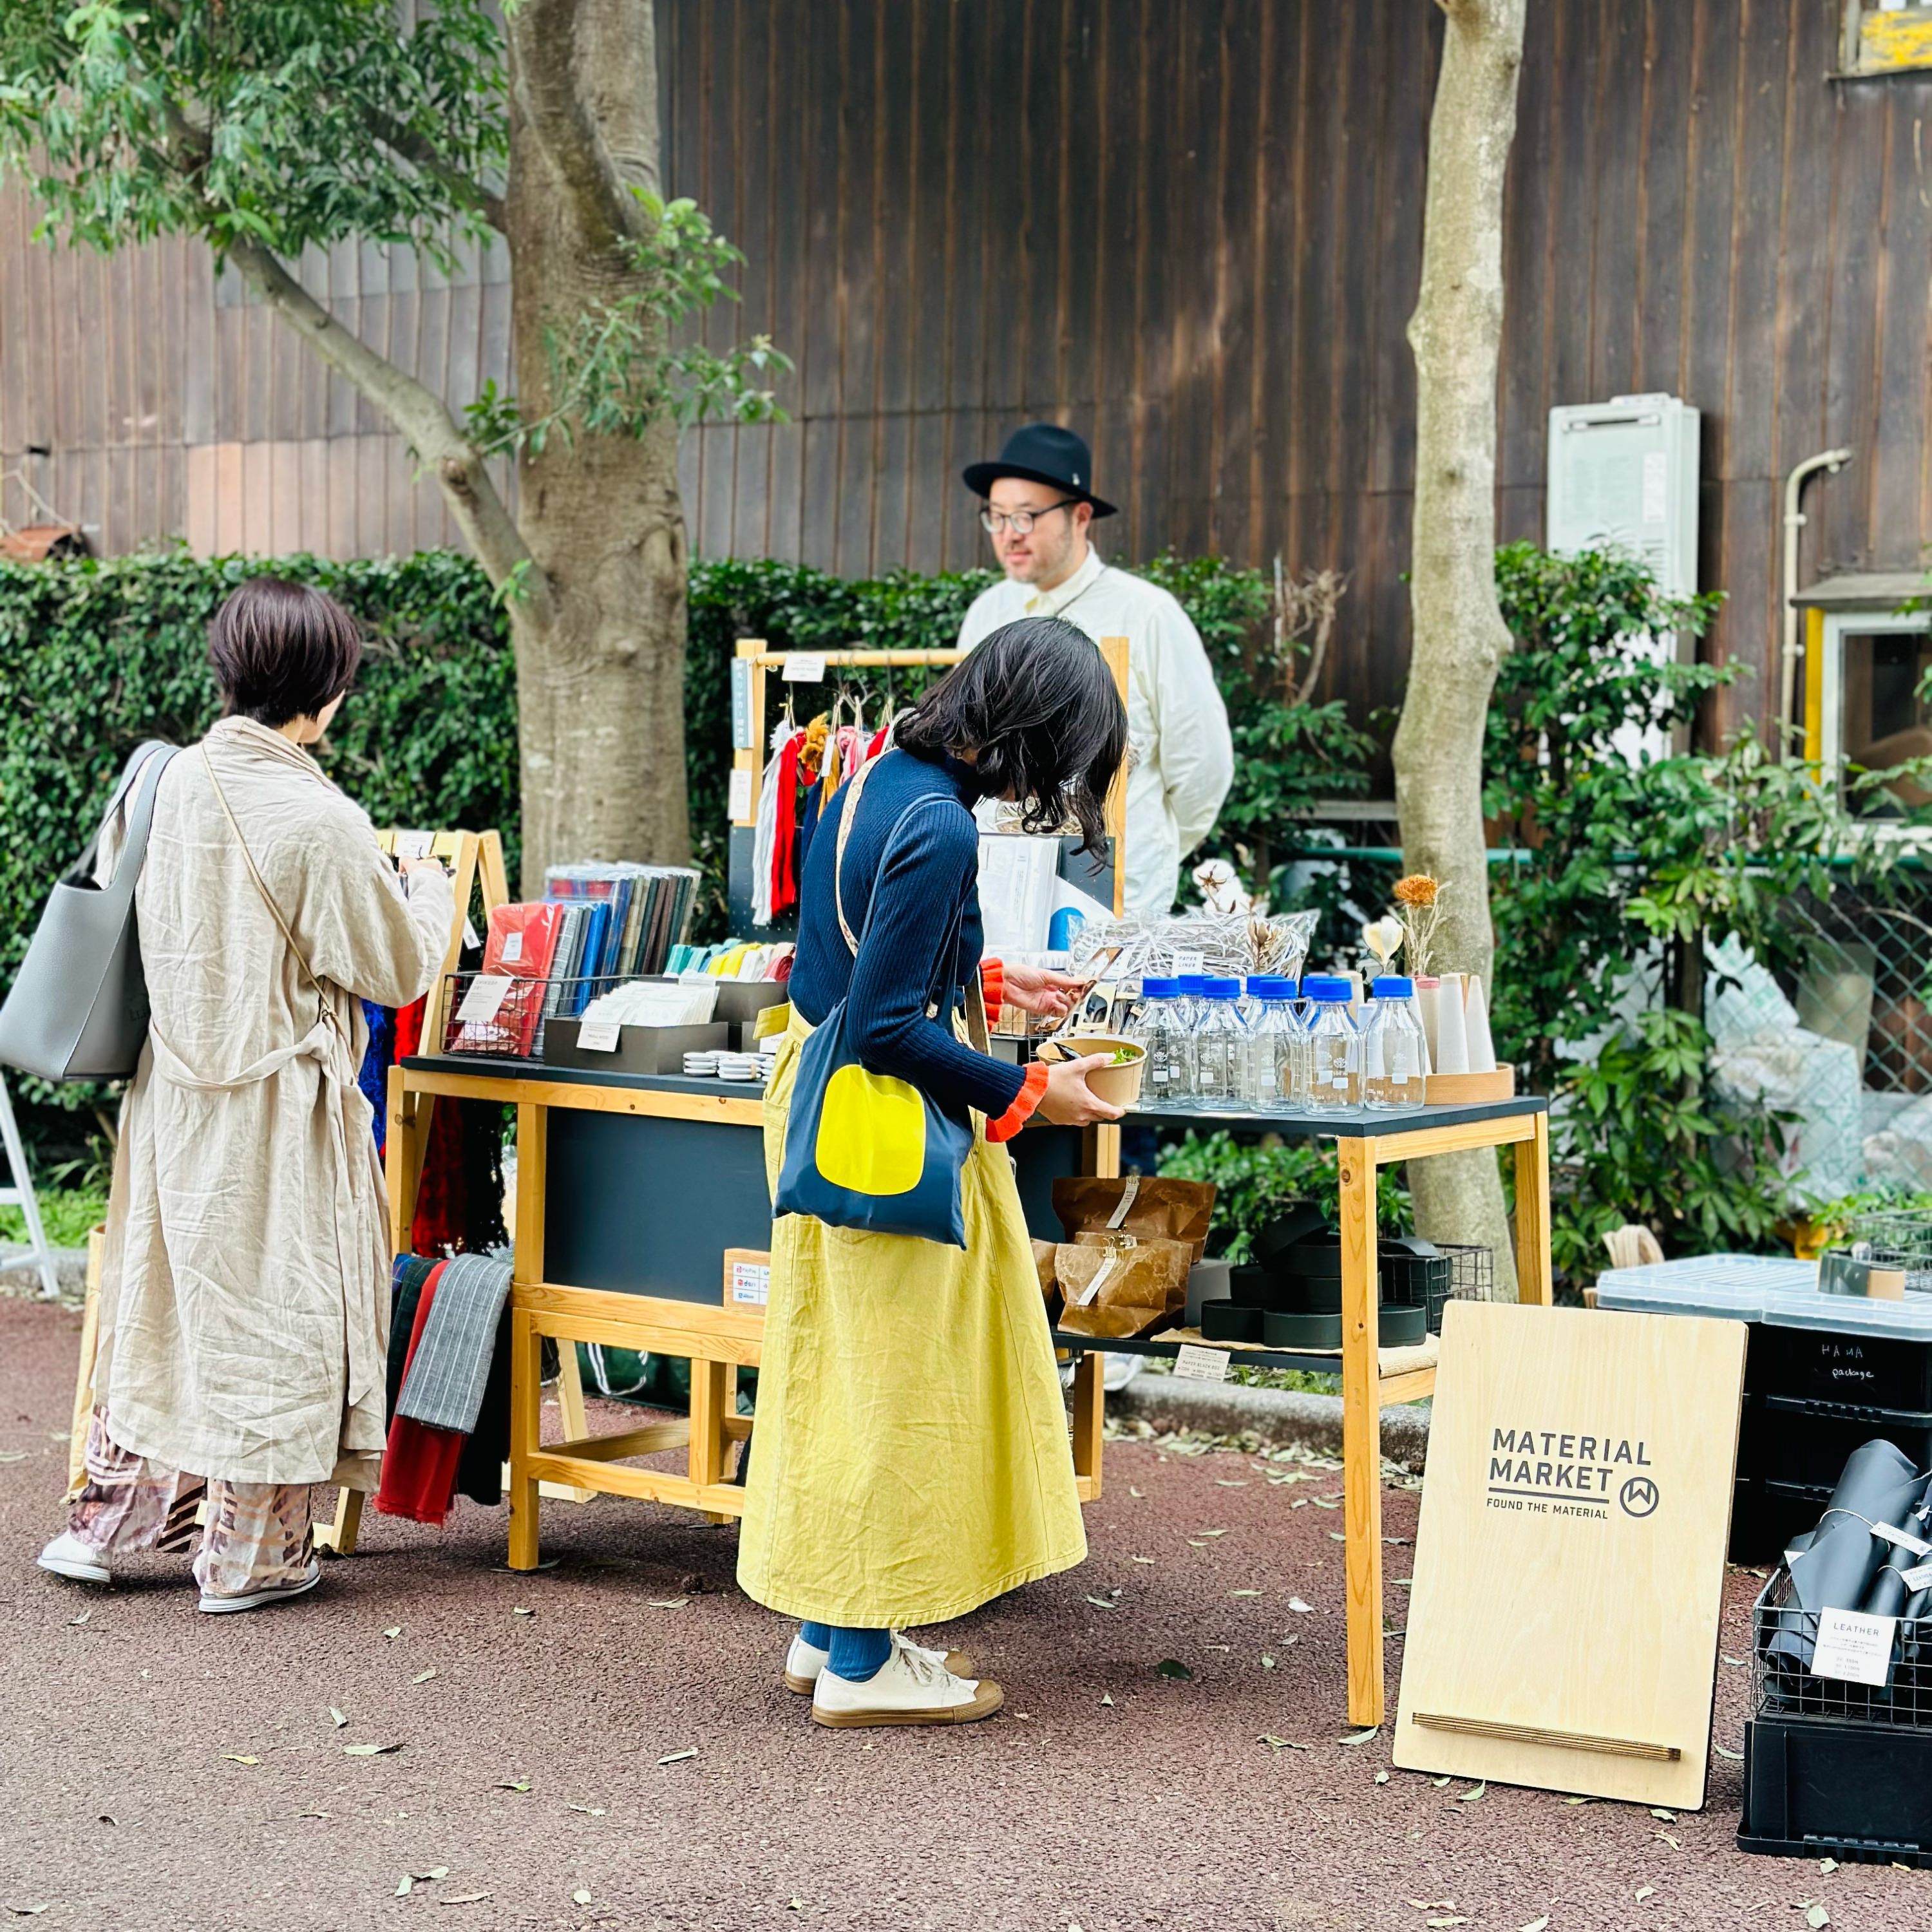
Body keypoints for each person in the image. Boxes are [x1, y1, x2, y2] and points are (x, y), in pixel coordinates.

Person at [37, 578, 454, 1611]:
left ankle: (112, 1523)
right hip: (278, 1105)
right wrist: (431, 887)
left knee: (167, 1298)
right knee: (277, 1311)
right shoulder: (316, 816)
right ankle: (249, 1554)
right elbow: (397, 969)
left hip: (173, 1089)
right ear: (327, 692)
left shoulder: (164, 783)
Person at [738, 616, 1126, 1727]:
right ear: (1030, 731)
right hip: (884, 1120)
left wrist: (997, 981)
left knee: (846, 1372)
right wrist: (1030, 1090)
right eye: (1063, 756)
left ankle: (828, 1635)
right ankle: (861, 1664)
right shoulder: (941, 828)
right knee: (898, 1388)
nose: (1054, 783)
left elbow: (857, 963)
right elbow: (888, 1029)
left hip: (822, 1107)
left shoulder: (878, 777)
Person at [957, 422, 1234, 914]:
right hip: (1000, 892)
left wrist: (1149, 847)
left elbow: (1202, 768)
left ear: (1080, 516)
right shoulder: (987, 614)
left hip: (1122, 895)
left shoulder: (1147, 613)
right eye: (996, 518)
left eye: (1025, 517)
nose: (1007, 535)